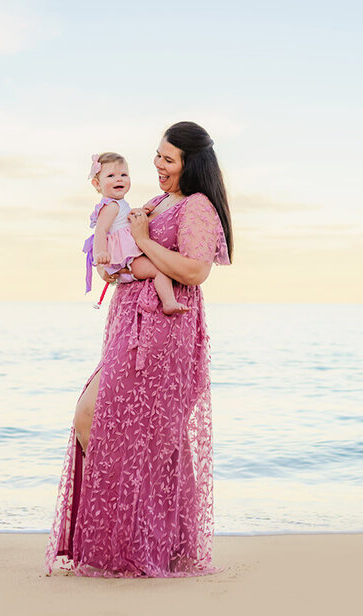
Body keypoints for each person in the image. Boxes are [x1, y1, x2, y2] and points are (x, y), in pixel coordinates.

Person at [45, 121, 233, 578]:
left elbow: (194, 271)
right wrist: (111, 266)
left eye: (168, 159)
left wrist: (145, 242)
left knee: (116, 423)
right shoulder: (153, 202)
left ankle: (144, 541)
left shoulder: (198, 207)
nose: (158, 165)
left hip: (164, 334)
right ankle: (134, 539)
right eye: (157, 155)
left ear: (191, 164)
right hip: (127, 326)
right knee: (110, 424)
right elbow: (121, 251)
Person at [83, 152, 188, 315]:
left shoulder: (118, 204)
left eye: (124, 174)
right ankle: (169, 302)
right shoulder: (110, 206)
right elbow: (100, 231)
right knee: (160, 270)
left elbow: (124, 223)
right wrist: (101, 253)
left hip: (128, 260)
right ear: (97, 184)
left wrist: (142, 212)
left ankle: (168, 301)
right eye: (111, 175)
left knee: (158, 269)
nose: (119, 179)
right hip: (128, 260)